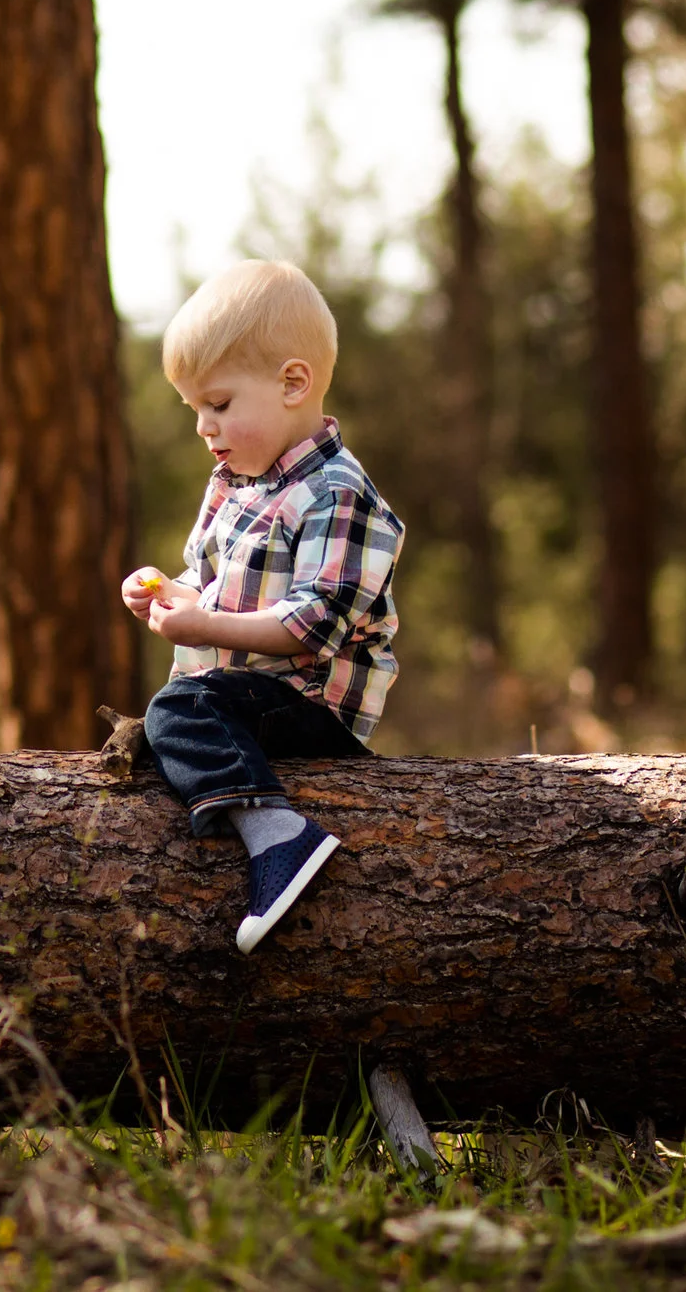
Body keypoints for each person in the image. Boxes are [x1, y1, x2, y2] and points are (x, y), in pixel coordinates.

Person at [119, 261, 403, 953]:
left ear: (293, 383)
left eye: (218, 404)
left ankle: (281, 836)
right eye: (194, 410)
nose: (203, 427)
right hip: (245, 697)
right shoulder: (235, 485)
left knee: (180, 709)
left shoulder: (336, 493)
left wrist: (203, 623)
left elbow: (313, 622)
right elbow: (210, 589)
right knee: (171, 716)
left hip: (310, 703)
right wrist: (169, 594)